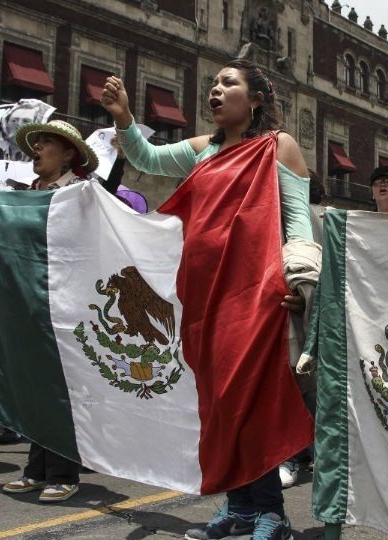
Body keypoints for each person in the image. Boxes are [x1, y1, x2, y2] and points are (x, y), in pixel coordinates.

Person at [101, 59, 312, 540]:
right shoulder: (203, 150)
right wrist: (123, 117)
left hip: (257, 293)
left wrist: (301, 283)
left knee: (247, 401)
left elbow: (298, 222)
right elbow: (147, 159)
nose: (215, 91)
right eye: (213, 85)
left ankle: (272, 514)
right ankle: (240, 508)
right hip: (201, 293)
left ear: (255, 98)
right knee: (217, 402)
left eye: (228, 84)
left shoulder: (278, 146)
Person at [0, 118, 99, 502]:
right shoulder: (27, 193)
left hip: (68, 301)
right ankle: (36, 468)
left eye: (45, 143)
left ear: (68, 153)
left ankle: (64, 472)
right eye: (35, 142)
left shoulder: (82, 193)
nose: (36, 149)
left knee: (61, 389)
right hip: (32, 303)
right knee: (37, 387)